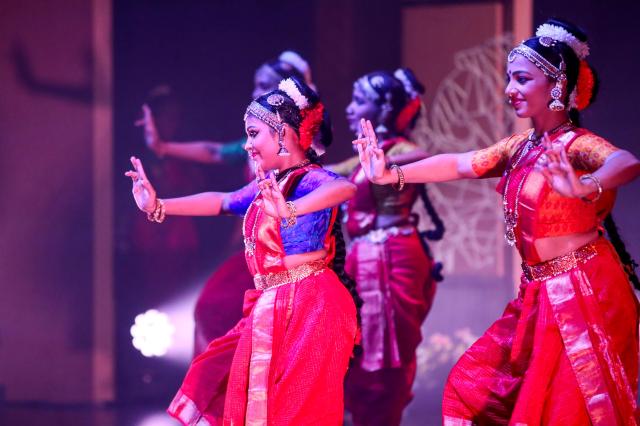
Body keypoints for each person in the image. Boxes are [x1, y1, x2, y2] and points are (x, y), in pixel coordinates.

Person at [355, 19, 640, 425]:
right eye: (509, 79)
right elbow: (458, 163)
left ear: (557, 84)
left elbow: (625, 162)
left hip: (582, 290)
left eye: (522, 79)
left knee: (565, 408)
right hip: (539, 290)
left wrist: (586, 185)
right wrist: (391, 175)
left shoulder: (576, 145)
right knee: (473, 387)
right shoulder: (520, 147)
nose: (510, 91)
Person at [127, 77, 359, 425]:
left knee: (295, 410)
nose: (248, 145)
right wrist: (158, 205)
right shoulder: (269, 183)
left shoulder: (307, 178)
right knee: (215, 373)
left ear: (283, 133)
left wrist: (290, 210)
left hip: (312, 304)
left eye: (254, 134)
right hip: (274, 303)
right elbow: (221, 201)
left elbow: (344, 188)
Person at [136, 51, 317, 355]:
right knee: (218, 315)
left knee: (224, 315)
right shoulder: (258, 145)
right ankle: (230, 395)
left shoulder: (299, 151)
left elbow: (332, 186)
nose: (252, 93)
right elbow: (218, 160)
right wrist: (162, 152)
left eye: (261, 86)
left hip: (286, 255)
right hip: (254, 249)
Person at [331, 69, 444, 426]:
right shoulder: (367, 154)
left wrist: (383, 165)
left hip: (393, 258)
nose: (350, 108)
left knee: (386, 355)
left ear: (383, 109)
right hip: (364, 259)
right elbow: (332, 172)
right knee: (357, 350)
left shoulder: (403, 151)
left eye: (359, 101)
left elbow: (426, 157)